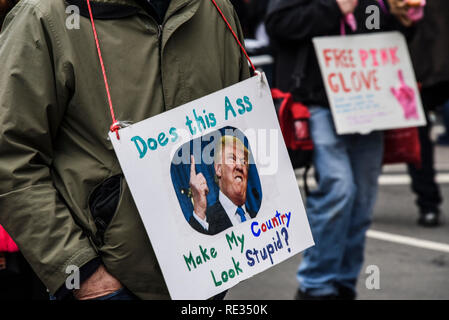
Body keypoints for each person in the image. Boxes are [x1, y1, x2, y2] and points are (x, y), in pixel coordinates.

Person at [0, 0, 250, 300]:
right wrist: (80, 270)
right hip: (108, 284)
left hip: (209, 273)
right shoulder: (46, 15)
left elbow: (242, 126)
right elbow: (11, 155)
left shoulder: (214, 8)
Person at [266, 0, 411, 300]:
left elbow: (387, 42)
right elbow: (278, 25)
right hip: (318, 102)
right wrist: (335, 8)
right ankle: (316, 285)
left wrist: (403, 20)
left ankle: (343, 283)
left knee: (362, 200)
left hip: (370, 103)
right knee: (339, 189)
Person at [407, 0, 449, 226]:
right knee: (418, 137)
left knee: (418, 136)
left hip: (422, 62)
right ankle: (428, 203)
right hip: (420, 63)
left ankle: (428, 204)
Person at [189, 136, 256, 235]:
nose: (240, 166)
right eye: (232, 159)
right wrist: (199, 210)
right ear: (219, 169)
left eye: (243, 161)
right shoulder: (206, 221)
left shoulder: (258, 216)